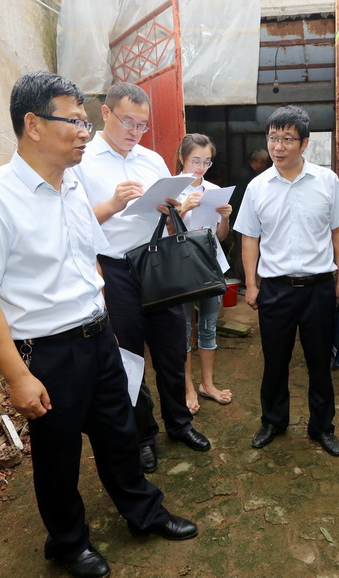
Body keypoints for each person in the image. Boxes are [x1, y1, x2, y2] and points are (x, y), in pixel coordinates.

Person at [0, 71, 197, 578]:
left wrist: (104, 321)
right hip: (47, 350)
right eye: (75, 121)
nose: (86, 132)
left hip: (98, 335)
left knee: (119, 431)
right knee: (58, 454)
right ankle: (68, 542)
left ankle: (143, 512)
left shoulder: (70, 187)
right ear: (33, 125)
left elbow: (90, 262)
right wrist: (18, 376)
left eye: (86, 122)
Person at [70, 82, 210, 475]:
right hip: (113, 270)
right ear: (106, 113)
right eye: (128, 121)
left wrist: (173, 209)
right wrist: (114, 204)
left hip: (157, 264)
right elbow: (73, 225)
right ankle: (143, 436)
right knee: (129, 358)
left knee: (172, 349)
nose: (135, 131)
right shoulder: (82, 161)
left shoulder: (151, 160)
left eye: (142, 125)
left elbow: (169, 218)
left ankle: (179, 423)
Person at [234, 105, 339, 457]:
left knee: (319, 362)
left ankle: (322, 427)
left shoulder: (326, 181)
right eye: (273, 137)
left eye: (287, 139)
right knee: (275, 361)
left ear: (304, 143)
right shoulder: (257, 187)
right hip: (275, 289)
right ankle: (273, 421)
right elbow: (249, 238)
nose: (278, 146)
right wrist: (252, 284)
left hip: (318, 288)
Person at [173, 133, 234, 414]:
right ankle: (187, 386)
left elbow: (220, 236)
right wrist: (183, 209)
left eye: (207, 162)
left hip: (210, 265)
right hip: (182, 267)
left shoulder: (214, 190)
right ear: (183, 158)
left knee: (208, 327)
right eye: (195, 160)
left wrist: (225, 217)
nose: (201, 167)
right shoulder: (171, 190)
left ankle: (207, 384)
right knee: (184, 330)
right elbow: (165, 233)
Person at [225, 149, 271, 284]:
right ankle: (242, 278)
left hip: (241, 216)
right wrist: (231, 218)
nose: (264, 167)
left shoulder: (248, 173)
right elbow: (237, 197)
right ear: (260, 162)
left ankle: (242, 278)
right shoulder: (247, 176)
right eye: (264, 163)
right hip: (241, 217)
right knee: (241, 249)